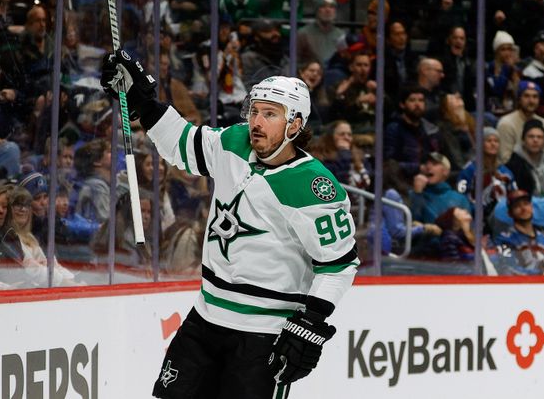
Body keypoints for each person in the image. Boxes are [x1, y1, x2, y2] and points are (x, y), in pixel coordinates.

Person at [101, 52, 357, 398]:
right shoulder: (234, 143)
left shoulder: (314, 187)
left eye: (270, 114)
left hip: (265, 333)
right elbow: (182, 145)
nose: (256, 121)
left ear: (295, 124)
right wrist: (144, 102)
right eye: (254, 110)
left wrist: (310, 322)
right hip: (205, 318)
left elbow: (339, 265)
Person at [494, 189, 544, 275]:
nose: (523, 208)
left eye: (526, 204)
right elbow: (508, 268)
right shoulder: (504, 240)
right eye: (517, 206)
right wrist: (540, 274)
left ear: (532, 207)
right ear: (510, 213)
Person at [496, 81, 544, 163]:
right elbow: (505, 159)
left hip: (539, 171)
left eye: (535, 97)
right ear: (519, 99)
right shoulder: (506, 123)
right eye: (526, 96)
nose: (531, 101)